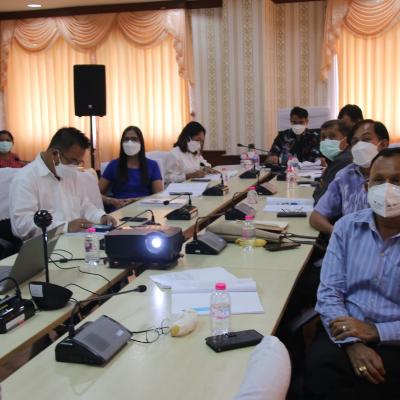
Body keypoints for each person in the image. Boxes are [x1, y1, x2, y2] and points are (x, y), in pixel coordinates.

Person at [304, 147, 400, 399]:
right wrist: (352, 344)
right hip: (344, 329)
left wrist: (376, 331)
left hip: (394, 337)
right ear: (367, 188)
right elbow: (329, 293)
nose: (387, 188)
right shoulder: (346, 227)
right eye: (379, 180)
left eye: (397, 180)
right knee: (320, 369)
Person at [9, 127, 116, 240]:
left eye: (78, 162)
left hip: (75, 239)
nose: (74, 166)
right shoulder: (25, 178)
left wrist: (101, 217)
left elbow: (85, 206)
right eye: (72, 160)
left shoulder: (69, 174)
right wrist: (65, 227)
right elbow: (23, 225)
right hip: (45, 245)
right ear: (54, 153)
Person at [310, 119, 389, 236]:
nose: (359, 146)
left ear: (383, 145)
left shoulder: (394, 177)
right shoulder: (345, 176)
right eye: (355, 141)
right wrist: (338, 233)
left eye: (366, 139)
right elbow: (316, 216)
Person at [99, 126, 163, 210]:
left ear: (141, 142)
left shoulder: (152, 165)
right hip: (118, 209)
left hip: (145, 209)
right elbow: (96, 194)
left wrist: (135, 200)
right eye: (126, 139)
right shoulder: (113, 165)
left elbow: (158, 196)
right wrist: (111, 201)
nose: (130, 143)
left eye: (134, 139)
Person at [313, 119, 352, 203]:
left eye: (332, 136)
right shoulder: (341, 158)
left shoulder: (343, 161)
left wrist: (321, 186)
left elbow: (320, 199)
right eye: (323, 137)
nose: (326, 141)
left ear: (345, 140)